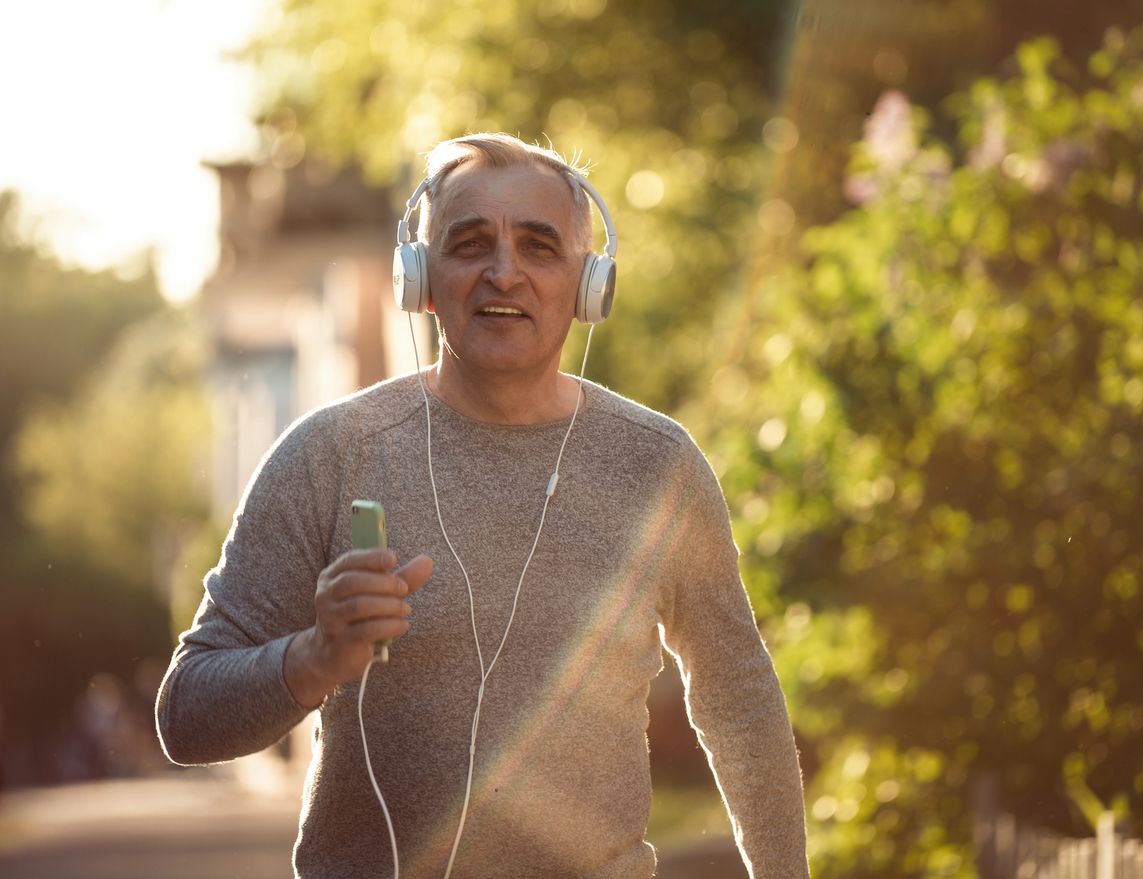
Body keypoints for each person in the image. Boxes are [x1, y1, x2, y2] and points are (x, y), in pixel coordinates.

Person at [157, 133, 808, 879]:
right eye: (470, 244)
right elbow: (185, 718)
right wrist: (313, 658)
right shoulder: (328, 456)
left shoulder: (659, 465)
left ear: (589, 284)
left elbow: (738, 700)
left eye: (539, 246)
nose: (504, 271)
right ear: (420, 279)